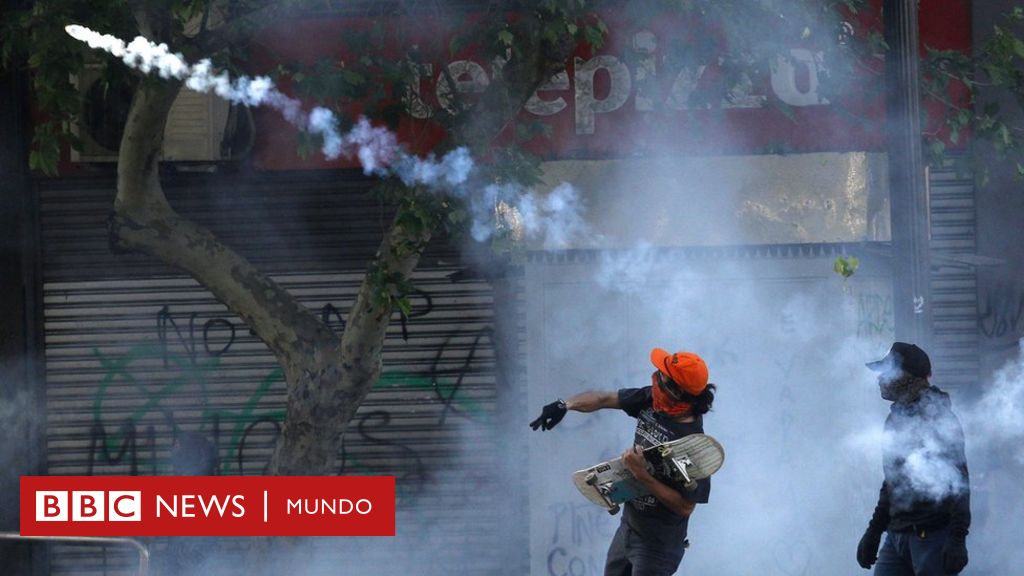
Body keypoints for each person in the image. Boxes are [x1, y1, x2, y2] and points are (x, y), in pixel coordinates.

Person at [531, 348, 716, 576]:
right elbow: (605, 398)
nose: (656, 378)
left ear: (677, 392)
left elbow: (686, 506)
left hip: (657, 547)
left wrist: (643, 476)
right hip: (628, 529)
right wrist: (565, 405)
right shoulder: (653, 400)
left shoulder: (694, 446)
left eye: (663, 377)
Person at [857, 342, 971, 576]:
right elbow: (892, 483)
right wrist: (874, 531)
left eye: (887, 372)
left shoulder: (938, 418)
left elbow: (959, 483)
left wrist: (957, 538)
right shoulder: (894, 420)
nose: (880, 379)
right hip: (897, 535)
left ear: (907, 376)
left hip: (931, 537)